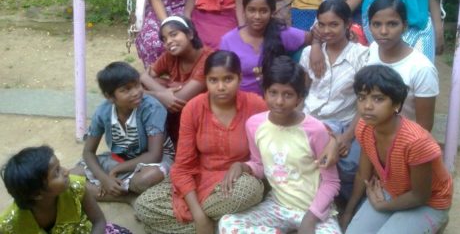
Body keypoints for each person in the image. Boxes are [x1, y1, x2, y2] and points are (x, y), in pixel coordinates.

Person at [134, 50, 266, 234]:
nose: (221, 87)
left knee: (249, 190)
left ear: (240, 78)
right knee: (143, 206)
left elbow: (278, 139)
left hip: (235, 181)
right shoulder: (193, 108)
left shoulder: (256, 106)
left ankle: (187, 228)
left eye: (228, 79)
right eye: (213, 80)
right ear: (206, 80)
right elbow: (182, 166)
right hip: (199, 177)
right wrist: (198, 215)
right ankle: (215, 226)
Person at [219, 56, 342, 233]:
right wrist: (242, 166)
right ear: (264, 92)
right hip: (277, 207)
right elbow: (261, 165)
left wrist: (310, 218)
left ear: (299, 98)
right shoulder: (255, 125)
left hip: (315, 210)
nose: (279, 101)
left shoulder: (315, 130)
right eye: (273, 92)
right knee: (228, 224)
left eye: (288, 95)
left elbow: (331, 182)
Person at [340, 65, 452, 234]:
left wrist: (383, 206)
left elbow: (420, 195)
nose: (367, 106)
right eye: (361, 98)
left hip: (430, 202)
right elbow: (362, 174)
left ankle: (437, 223)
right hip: (392, 190)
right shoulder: (364, 127)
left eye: (378, 99)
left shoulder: (416, 141)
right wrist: (348, 212)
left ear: (397, 104)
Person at [299, 0, 368, 200]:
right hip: (311, 120)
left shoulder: (361, 56)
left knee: (350, 165)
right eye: (322, 24)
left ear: (347, 24)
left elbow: (364, 103)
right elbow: (303, 92)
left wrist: (347, 137)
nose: (327, 30)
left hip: (344, 122)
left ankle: (340, 203)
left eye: (334, 24)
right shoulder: (309, 53)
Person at [71, 62, 170, 203]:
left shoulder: (152, 108)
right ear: (110, 97)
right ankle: (128, 197)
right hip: (118, 159)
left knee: (149, 177)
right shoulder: (103, 112)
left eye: (137, 85)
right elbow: (88, 152)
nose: (136, 92)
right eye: (126, 90)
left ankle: (113, 191)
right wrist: (104, 179)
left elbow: (154, 155)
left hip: (149, 163)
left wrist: (116, 171)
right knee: (71, 177)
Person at [0, 145, 131, 233]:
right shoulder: (10, 224)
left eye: (60, 166)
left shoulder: (75, 187)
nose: (66, 172)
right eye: (56, 172)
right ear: (36, 193)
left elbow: (99, 221)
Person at [219, 0, 312, 95]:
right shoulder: (228, 41)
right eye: (252, 10)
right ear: (244, 11)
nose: (257, 16)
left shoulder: (281, 33)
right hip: (241, 102)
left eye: (263, 11)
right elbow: (223, 77)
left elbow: (313, 37)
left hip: (275, 103)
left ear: (272, 12)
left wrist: (315, 48)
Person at [366, 0, 439, 131]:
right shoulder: (373, 50)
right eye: (376, 24)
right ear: (369, 26)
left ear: (404, 26)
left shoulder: (422, 69)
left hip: (404, 141)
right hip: (371, 134)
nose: (383, 31)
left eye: (392, 24)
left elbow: (424, 127)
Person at [140, 15, 212, 147]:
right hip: (176, 120)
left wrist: (146, 78)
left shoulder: (208, 59)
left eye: (174, 34)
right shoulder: (170, 56)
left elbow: (177, 101)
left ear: (190, 34)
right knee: (154, 85)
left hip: (202, 121)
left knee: (155, 84)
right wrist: (160, 92)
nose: (169, 41)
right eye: (164, 39)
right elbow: (141, 84)